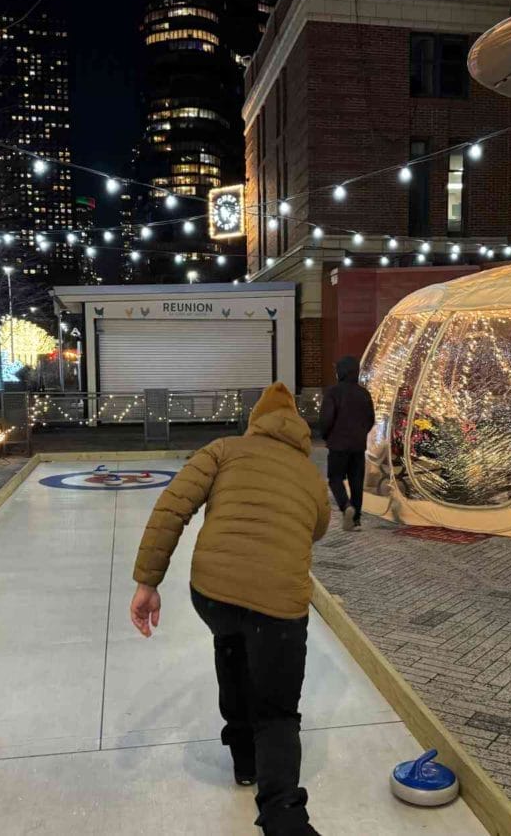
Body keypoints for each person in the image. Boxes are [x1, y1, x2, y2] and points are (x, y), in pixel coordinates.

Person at [130, 382, 330, 836]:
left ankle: (243, 758)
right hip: (279, 603)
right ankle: (283, 814)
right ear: (297, 429)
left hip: (213, 593)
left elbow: (171, 508)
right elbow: (317, 528)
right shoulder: (309, 475)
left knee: (232, 645)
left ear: (255, 421)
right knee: (277, 711)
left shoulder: (222, 449)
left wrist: (148, 581)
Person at [319, 355, 375, 531]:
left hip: (338, 445)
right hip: (358, 445)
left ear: (340, 372)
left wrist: (326, 435)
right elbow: (370, 419)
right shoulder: (364, 393)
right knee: (356, 481)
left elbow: (326, 418)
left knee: (335, 478)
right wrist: (360, 434)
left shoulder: (333, 392)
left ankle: (346, 506)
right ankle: (356, 520)